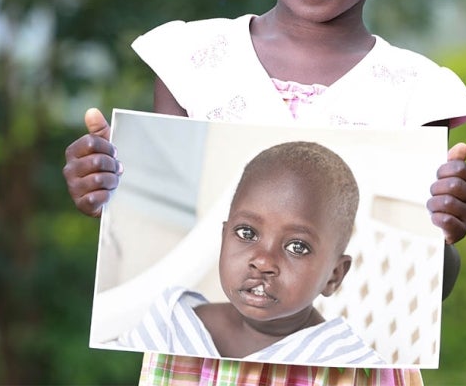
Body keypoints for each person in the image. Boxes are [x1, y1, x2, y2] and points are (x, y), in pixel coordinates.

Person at [63, 0, 466, 386]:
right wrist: (100, 190)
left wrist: (445, 231)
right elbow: (145, 229)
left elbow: (425, 291)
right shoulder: (192, 63)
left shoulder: (416, 93)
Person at [118, 141, 384, 366]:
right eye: (247, 233)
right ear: (224, 237)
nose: (263, 261)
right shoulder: (172, 324)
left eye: (297, 247)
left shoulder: (346, 365)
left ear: (334, 276)